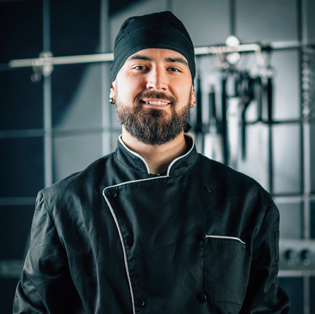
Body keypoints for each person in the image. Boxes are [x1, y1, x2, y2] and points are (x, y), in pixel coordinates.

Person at [13, 11, 290, 314]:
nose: (157, 82)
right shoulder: (63, 206)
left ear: (193, 93)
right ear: (113, 88)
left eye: (174, 68)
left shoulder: (249, 203)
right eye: (140, 67)